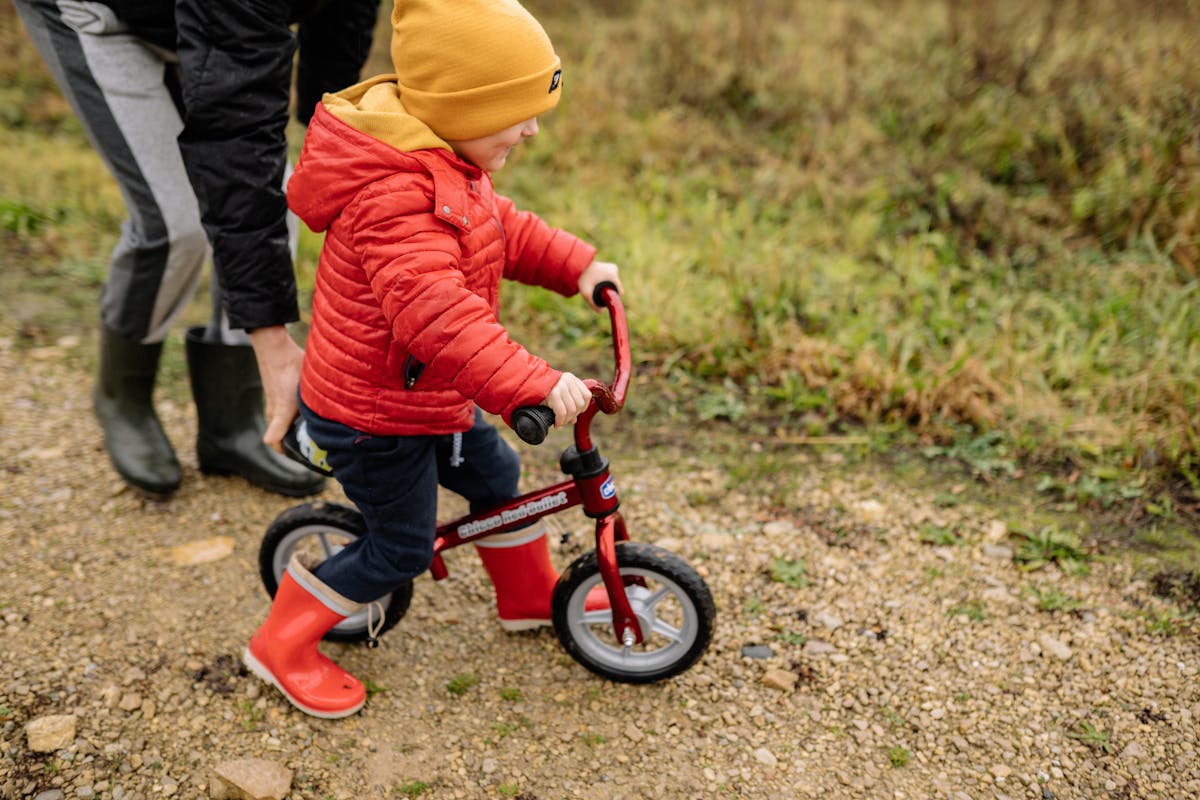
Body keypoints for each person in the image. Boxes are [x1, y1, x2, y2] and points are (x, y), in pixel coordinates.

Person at [243, 0, 623, 719]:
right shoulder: (394, 196)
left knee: (499, 477)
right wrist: (532, 383)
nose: (533, 128)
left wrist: (575, 265)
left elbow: (499, 227)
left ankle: (529, 597)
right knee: (401, 547)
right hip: (372, 417)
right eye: (518, 111)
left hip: (429, 400)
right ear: (462, 105)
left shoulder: (447, 159)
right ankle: (281, 643)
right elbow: (435, 317)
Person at [13, 0, 381, 496]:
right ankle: (123, 393)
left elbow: (344, 16)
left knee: (280, 200)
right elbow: (237, 132)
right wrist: (273, 340)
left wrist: (331, 133)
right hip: (95, 12)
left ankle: (233, 423)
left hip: (200, 18)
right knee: (175, 223)